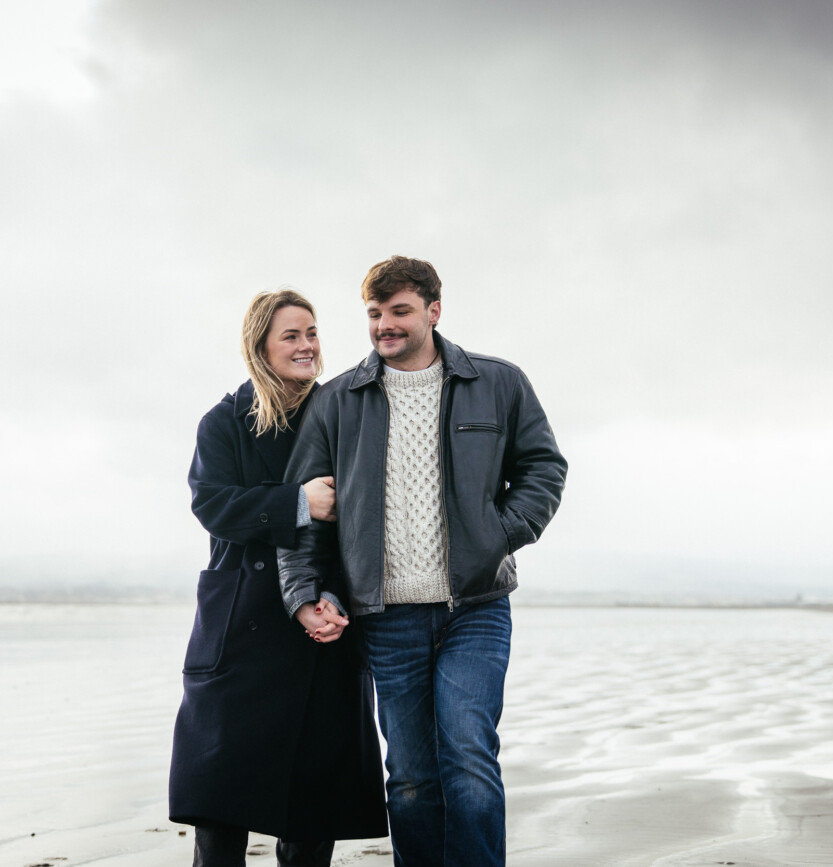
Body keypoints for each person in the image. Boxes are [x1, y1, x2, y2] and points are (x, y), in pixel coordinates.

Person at [276, 257, 568, 866]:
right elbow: (304, 513)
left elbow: (543, 467)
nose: (384, 325)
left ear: (434, 311)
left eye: (399, 311)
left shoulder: (499, 382)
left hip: (476, 607)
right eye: (374, 313)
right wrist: (303, 592)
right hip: (386, 617)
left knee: (469, 758)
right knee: (409, 777)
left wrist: (499, 535)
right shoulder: (337, 401)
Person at [169, 289, 388, 867]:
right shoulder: (224, 422)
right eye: (291, 335)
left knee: (313, 813)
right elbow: (212, 505)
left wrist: (332, 596)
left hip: (325, 625)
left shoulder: (341, 415)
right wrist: (297, 503)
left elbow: (364, 523)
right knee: (220, 811)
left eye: (312, 333)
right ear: (259, 346)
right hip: (242, 628)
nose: (306, 345)